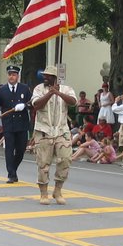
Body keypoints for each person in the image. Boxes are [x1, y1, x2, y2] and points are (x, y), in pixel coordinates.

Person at [31, 65, 77, 204]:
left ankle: (57, 190)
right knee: (43, 163)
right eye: (44, 75)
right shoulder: (39, 89)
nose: (45, 77)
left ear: (55, 78)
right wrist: (50, 93)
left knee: (65, 160)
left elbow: (73, 102)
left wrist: (58, 93)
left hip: (62, 131)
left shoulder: (66, 89)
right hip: (43, 131)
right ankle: (43, 193)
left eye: (48, 76)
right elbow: (36, 105)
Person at [0, 64, 34, 183]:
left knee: (20, 150)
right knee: (9, 149)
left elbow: (33, 103)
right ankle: (11, 174)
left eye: (14, 75)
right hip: (8, 124)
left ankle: (13, 168)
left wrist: (25, 105)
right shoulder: (2, 91)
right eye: (10, 74)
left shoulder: (24, 88)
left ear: (18, 76)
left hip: (22, 124)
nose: (11, 77)